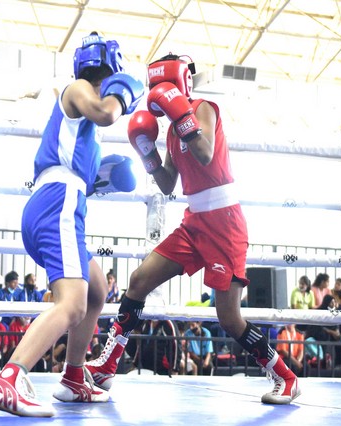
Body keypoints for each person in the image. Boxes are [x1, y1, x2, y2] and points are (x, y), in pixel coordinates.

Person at [85, 53, 300, 405]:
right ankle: (108, 364)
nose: (157, 91)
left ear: (178, 82)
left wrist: (180, 113)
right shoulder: (170, 129)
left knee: (229, 319)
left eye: (162, 85)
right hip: (194, 222)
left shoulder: (204, 108)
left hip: (225, 223)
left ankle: (284, 375)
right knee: (139, 280)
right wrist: (146, 153)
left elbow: (204, 152)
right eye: (155, 86)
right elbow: (169, 184)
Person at [0, 31, 144, 417]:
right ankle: (9, 378)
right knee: (71, 304)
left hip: (59, 202)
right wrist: (124, 95)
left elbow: (83, 171)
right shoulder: (77, 90)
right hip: (58, 202)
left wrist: (101, 178)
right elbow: (107, 112)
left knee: (96, 289)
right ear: (114, 69)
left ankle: (73, 377)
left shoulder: (80, 123)